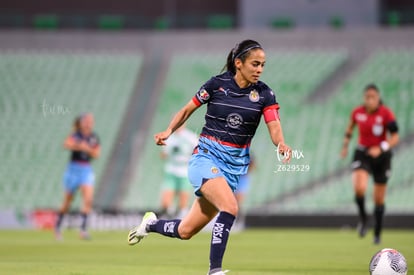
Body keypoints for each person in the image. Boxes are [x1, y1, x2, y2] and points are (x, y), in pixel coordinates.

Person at [128, 39, 291, 275]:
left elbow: (274, 126)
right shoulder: (216, 85)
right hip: (205, 158)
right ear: (239, 63)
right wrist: (168, 131)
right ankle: (214, 270)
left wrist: (281, 143)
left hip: (232, 169)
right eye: (255, 64)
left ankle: (151, 224)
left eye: (263, 65)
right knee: (230, 207)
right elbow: (187, 110)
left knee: (186, 231)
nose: (260, 69)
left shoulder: (265, 93)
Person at [341, 84, 399, 244]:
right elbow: (350, 127)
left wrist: (381, 148)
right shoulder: (357, 112)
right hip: (363, 153)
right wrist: (345, 145)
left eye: (373, 97)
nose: (370, 100)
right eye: (367, 97)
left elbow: (395, 137)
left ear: (378, 98)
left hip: (382, 156)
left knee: (378, 199)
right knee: (359, 188)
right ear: (364, 98)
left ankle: (377, 233)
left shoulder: (386, 113)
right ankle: (364, 219)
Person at [55, 113, 101, 240]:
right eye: (86, 120)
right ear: (81, 123)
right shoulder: (76, 135)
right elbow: (66, 144)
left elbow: (97, 154)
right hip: (73, 169)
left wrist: (86, 149)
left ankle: (83, 230)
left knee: (88, 199)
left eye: (90, 121)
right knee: (68, 201)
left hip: (86, 168)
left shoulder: (94, 137)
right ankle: (58, 227)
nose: (88, 123)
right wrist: (79, 146)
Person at [159, 123, 198, 218]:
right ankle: (170, 217)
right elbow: (163, 155)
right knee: (165, 202)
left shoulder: (190, 137)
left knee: (183, 202)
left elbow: (198, 152)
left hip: (184, 172)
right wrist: (170, 151)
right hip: (171, 171)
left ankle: (180, 221)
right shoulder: (168, 137)